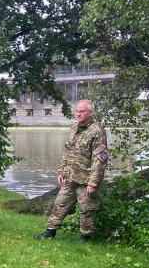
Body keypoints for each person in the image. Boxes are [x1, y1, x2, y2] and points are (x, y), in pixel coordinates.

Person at [34, 100, 108, 242]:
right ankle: (50, 232)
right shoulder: (73, 128)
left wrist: (93, 182)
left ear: (90, 113)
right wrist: (61, 171)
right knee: (59, 204)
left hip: (85, 179)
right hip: (70, 176)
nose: (78, 114)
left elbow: (100, 159)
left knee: (86, 209)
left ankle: (85, 237)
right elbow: (67, 152)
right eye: (77, 111)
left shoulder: (97, 131)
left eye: (82, 111)